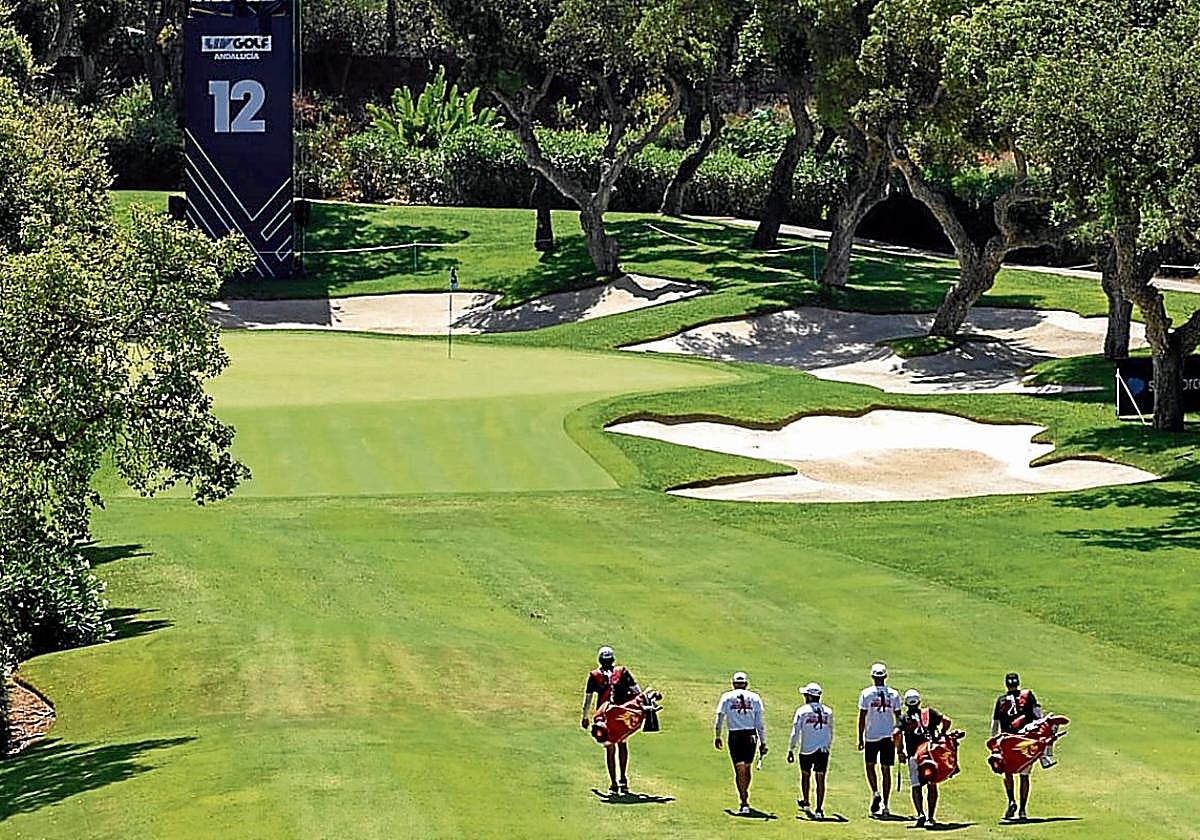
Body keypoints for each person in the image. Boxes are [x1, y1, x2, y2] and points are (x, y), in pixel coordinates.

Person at [992, 672, 1053, 821]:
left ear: (1006, 684)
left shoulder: (1001, 700)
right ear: (1018, 683)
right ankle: (1023, 810)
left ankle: (1012, 800)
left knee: (1007, 773)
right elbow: (1039, 717)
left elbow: (995, 724)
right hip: (1025, 742)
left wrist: (993, 743)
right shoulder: (1028, 696)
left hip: (1007, 742)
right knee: (1024, 775)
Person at [581, 645, 641, 795]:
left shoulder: (594, 676)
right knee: (622, 744)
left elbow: (588, 699)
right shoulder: (622, 672)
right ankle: (623, 780)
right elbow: (637, 691)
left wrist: (585, 717)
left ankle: (613, 783)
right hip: (620, 715)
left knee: (609, 748)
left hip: (604, 718)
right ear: (612, 659)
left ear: (600, 660)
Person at [714, 671, 768, 815]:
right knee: (746, 768)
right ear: (746, 684)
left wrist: (718, 735)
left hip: (735, 735)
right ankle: (745, 795)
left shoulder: (727, 697)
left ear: (733, 684)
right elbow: (760, 723)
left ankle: (743, 800)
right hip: (750, 735)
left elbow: (720, 717)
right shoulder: (755, 698)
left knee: (739, 769)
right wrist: (763, 741)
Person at [898, 689, 952, 829]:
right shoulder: (929, 713)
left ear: (906, 704)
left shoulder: (904, 718)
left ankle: (920, 813)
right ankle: (931, 817)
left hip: (914, 756)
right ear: (919, 702)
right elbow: (946, 721)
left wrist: (899, 751)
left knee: (916, 786)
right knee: (932, 784)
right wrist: (942, 734)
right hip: (930, 754)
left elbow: (896, 733)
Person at [858, 662, 902, 816]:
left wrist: (860, 737)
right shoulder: (894, 694)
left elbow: (862, 717)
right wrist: (899, 741)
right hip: (888, 736)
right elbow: (899, 718)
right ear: (885, 677)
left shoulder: (866, 693)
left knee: (870, 766)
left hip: (872, 735)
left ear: (872, 677)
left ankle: (875, 792)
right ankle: (886, 804)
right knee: (886, 770)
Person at [787, 682, 834, 820]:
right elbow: (831, 730)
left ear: (808, 696)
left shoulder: (802, 711)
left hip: (807, 748)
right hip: (823, 749)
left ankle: (806, 802)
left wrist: (791, 749)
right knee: (820, 779)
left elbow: (795, 731)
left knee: (805, 775)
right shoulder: (828, 711)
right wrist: (828, 745)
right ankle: (819, 809)